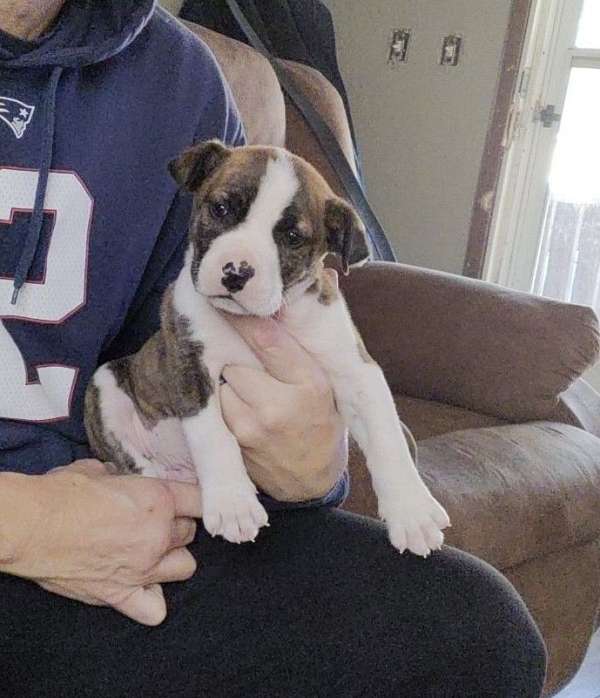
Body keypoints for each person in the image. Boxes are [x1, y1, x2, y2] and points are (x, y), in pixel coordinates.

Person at [0, 1, 547, 696]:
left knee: (474, 632)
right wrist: (26, 524)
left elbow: (166, 357)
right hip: (43, 525)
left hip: (106, 511)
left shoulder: (178, 81)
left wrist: (307, 463)